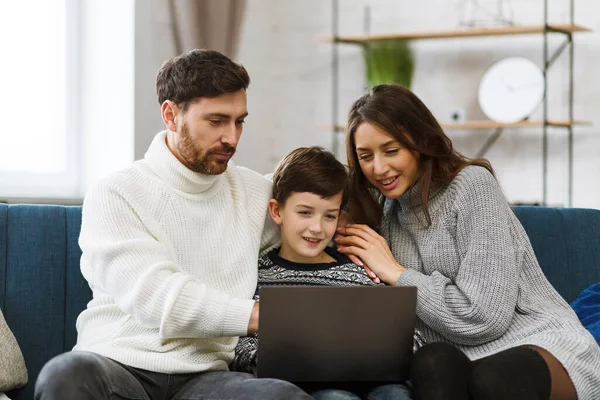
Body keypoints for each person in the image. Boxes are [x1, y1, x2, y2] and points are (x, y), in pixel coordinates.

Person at [34, 49, 311, 400]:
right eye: (216, 121)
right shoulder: (116, 191)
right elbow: (157, 297)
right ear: (170, 114)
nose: (232, 138)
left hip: (206, 379)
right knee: (65, 375)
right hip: (118, 366)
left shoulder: (256, 194)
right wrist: (266, 317)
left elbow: (316, 214)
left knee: (283, 397)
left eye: (239, 121)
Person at [335, 84, 600, 400]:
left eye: (391, 150)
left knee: (490, 378)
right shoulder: (386, 208)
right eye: (366, 156)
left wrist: (397, 274)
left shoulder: (472, 186)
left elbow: (486, 318)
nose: (378, 168)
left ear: (420, 142)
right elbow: (302, 191)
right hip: (456, 354)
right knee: (430, 362)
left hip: (534, 341)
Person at [230, 146, 424, 400]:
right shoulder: (259, 276)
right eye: (305, 213)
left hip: (377, 380)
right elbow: (241, 349)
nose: (317, 228)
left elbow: (409, 337)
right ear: (277, 211)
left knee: (397, 394)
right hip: (308, 386)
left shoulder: (358, 270)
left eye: (329, 216)